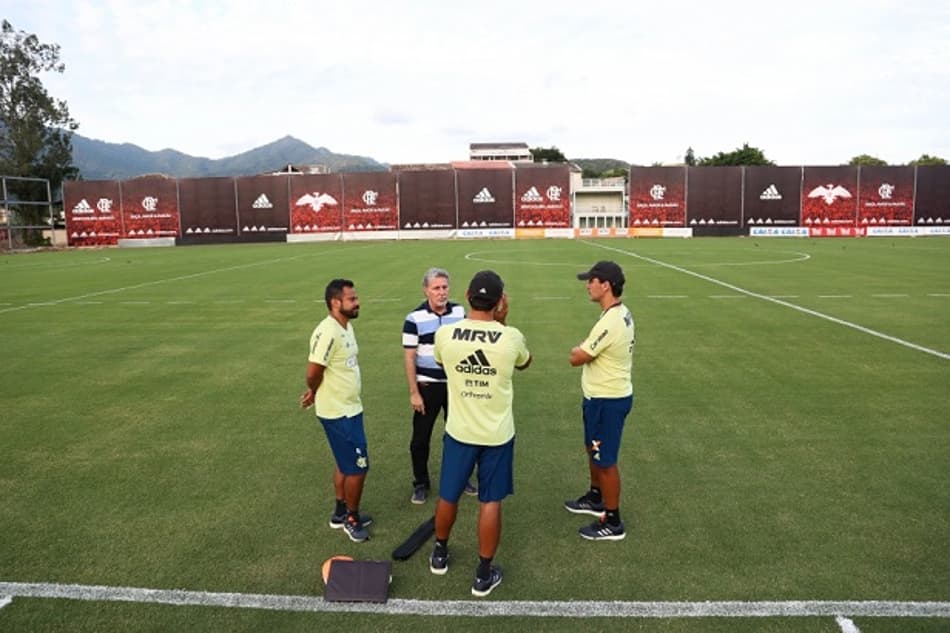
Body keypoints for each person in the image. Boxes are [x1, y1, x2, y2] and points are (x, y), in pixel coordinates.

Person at [429, 270, 532, 597]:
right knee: (490, 501)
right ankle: (483, 574)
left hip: (459, 430)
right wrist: (502, 323)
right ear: (501, 301)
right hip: (497, 435)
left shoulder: (446, 335)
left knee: (449, 494)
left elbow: (441, 361)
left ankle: (440, 553)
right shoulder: (511, 337)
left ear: (468, 294)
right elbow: (524, 363)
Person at [565, 261, 635, 541]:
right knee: (593, 449)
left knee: (605, 460)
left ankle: (613, 520)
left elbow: (577, 357)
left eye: (591, 280)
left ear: (605, 285)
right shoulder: (619, 313)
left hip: (608, 401)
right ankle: (596, 498)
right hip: (600, 397)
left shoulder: (611, 321)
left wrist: (578, 349)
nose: (587, 285)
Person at [300, 278, 373, 543]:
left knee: (345, 463)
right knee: (358, 467)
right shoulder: (329, 331)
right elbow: (313, 371)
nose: (357, 302)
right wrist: (313, 390)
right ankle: (351, 518)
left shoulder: (345, 326)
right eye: (352, 299)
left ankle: (340, 511)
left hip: (350, 407)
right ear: (336, 303)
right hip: (339, 412)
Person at [402, 268, 476, 504]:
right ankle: (421, 483)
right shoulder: (414, 319)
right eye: (436, 288)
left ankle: (461, 478)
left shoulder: (460, 312)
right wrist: (414, 392)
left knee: (459, 436)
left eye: (444, 287)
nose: (441, 292)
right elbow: (409, 357)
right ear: (426, 290)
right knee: (420, 439)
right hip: (427, 386)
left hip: (456, 386)